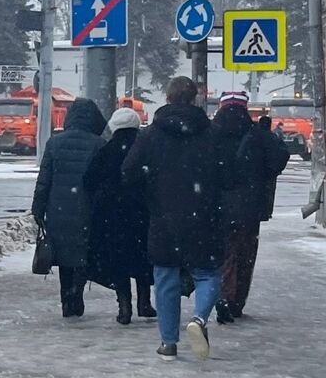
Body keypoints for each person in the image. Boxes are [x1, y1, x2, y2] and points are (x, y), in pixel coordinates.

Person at [121, 77, 227, 359]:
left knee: (165, 276)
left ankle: (168, 343)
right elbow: (229, 175)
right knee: (208, 273)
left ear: (167, 99)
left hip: (163, 217)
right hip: (204, 217)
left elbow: (128, 172)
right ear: (195, 99)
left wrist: (151, 191)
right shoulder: (212, 134)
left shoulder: (151, 135)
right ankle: (199, 319)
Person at [212, 94, 291, 322]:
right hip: (250, 208)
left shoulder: (211, 134)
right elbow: (278, 161)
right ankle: (236, 301)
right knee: (245, 255)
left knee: (222, 254)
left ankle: (221, 295)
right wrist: (269, 138)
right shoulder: (257, 135)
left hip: (216, 207)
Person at [30, 97, 107, 317]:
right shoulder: (98, 144)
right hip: (86, 210)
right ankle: (77, 295)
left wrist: (38, 208)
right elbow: (102, 182)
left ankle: (66, 298)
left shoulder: (54, 143)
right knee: (81, 255)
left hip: (58, 210)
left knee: (64, 257)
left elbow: (44, 180)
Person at [83, 106, 154, 325]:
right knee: (143, 258)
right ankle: (145, 303)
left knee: (119, 259)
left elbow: (88, 180)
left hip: (112, 215)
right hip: (143, 212)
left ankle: (124, 307)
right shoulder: (145, 148)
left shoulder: (107, 150)